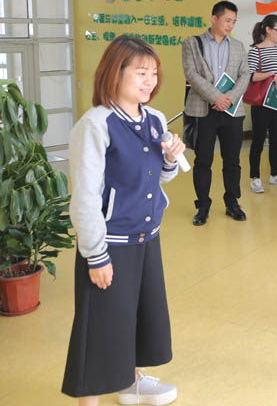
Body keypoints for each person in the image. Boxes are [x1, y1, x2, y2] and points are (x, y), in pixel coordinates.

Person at [63, 36, 185, 406]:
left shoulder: (155, 119)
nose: (150, 81)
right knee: (102, 327)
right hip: (110, 243)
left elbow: (158, 177)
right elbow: (85, 196)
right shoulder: (95, 124)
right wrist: (95, 255)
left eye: (154, 73)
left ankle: (132, 383)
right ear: (115, 73)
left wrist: (170, 158)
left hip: (146, 238)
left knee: (138, 315)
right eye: (141, 73)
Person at [182, 0, 251, 226]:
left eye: (234, 21)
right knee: (203, 160)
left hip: (232, 110)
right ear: (214, 18)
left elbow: (245, 75)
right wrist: (216, 97)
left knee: (232, 160)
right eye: (227, 20)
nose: (231, 25)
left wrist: (228, 98)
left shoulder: (238, 46)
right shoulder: (192, 44)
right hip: (203, 110)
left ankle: (232, 202)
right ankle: (202, 205)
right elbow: (191, 74)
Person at [248, 14, 277, 193]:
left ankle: (276, 174)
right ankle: (255, 177)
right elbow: (250, 75)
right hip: (261, 103)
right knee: (258, 140)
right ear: (268, 30)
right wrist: (270, 75)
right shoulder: (256, 51)